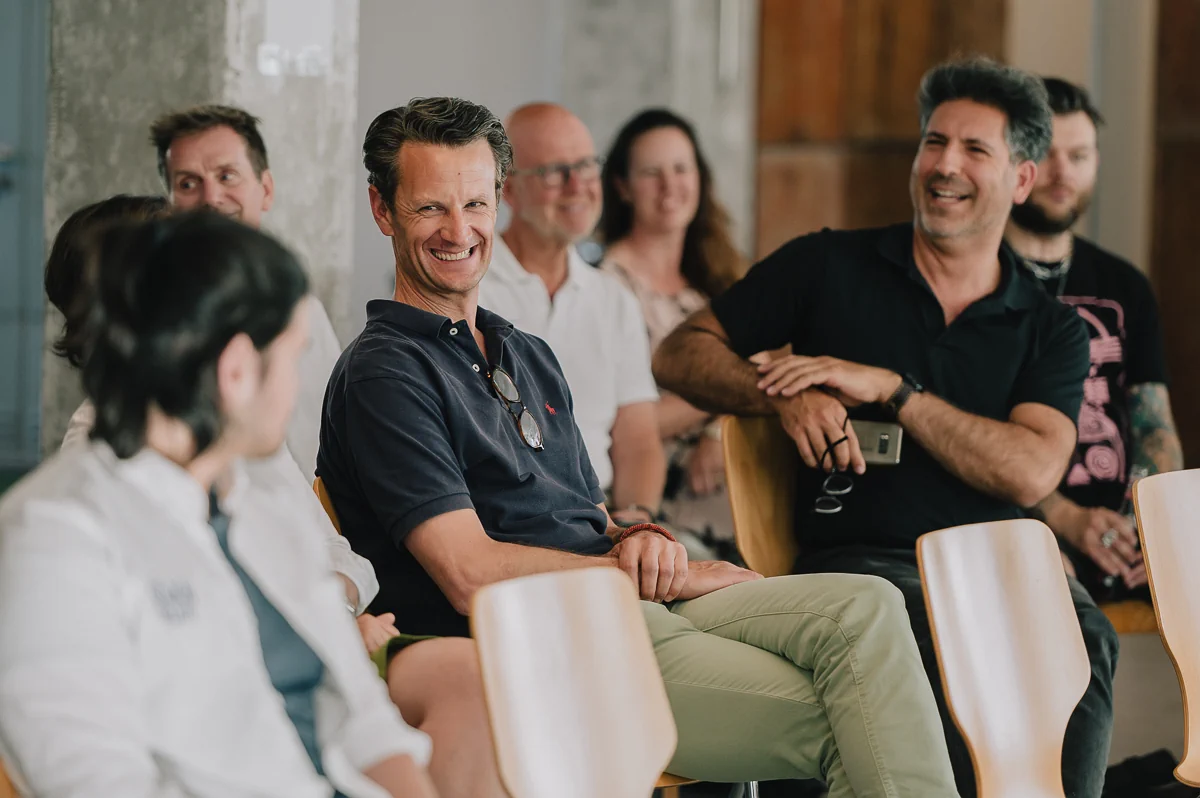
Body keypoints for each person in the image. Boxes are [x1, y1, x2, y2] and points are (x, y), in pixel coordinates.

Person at [317, 95, 961, 798]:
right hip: (548, 639)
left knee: (870, 603)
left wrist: (644, 538)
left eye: (475, 203)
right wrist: (646, 576)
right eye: (429, 208)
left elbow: (588, 517)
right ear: (383, 210)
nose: (458, 229)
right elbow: (469, 574)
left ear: (499, 201)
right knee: (867, 715)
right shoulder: (385, 372)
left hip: (631, 604)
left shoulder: (526, 351)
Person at [653, 58, 1117, 798]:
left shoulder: (1049, 328)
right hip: (867, 566)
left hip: (999, 566)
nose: (945, 165)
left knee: (1085, 638)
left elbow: (1031, 470)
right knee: (935, 639)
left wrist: (898, 392)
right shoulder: (827, 265)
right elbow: (680, 353)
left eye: (974, 149)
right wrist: (780, 396)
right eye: (934, 142)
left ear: (1022, 179)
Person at [1, 212, 440, 797]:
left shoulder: (262, 498)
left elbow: (367, 723)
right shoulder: (53, 537)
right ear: (236, 372)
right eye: (293, 358)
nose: (296, 387)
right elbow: (99, 782)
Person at [44, 194, 393, 655]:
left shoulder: (237, 434)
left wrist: (332, 610)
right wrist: (319, 624)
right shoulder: (78, 500)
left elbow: (338, 557)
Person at [1005, 77, 1183, 604]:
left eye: (1079, 156)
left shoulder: (1124, 285)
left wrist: (1149, 523)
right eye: (1047, 153)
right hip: (1018, 523)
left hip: (1119, 530)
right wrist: (1063, 516)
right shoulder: (976, 281)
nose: (1063, 172)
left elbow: (1154, 423)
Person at [475, 103, 668, 530]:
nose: (577, 185)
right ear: (507, 190)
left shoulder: (614, 299)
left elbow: (638, 440)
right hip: (505, 526)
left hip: (603, 523)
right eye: (554, 172)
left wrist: (638, 520)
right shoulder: (471, 289)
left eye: (585, 165)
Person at [149, 104, 342, 480]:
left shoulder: (304, 310)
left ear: (265, 190)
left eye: (227, 176)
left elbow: (335, 435)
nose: (210, 198)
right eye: (188, 183)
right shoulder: (154, 316)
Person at [597, 107, 746, 555]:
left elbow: (766, 369)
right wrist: (728, 392)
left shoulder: (716, 277)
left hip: (744, 494)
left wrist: (717, 430)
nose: (669, 185)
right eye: (651, 173)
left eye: (681, 168)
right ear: (622, 187)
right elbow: (622, 423)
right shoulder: (605, 287)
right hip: (657, 510)